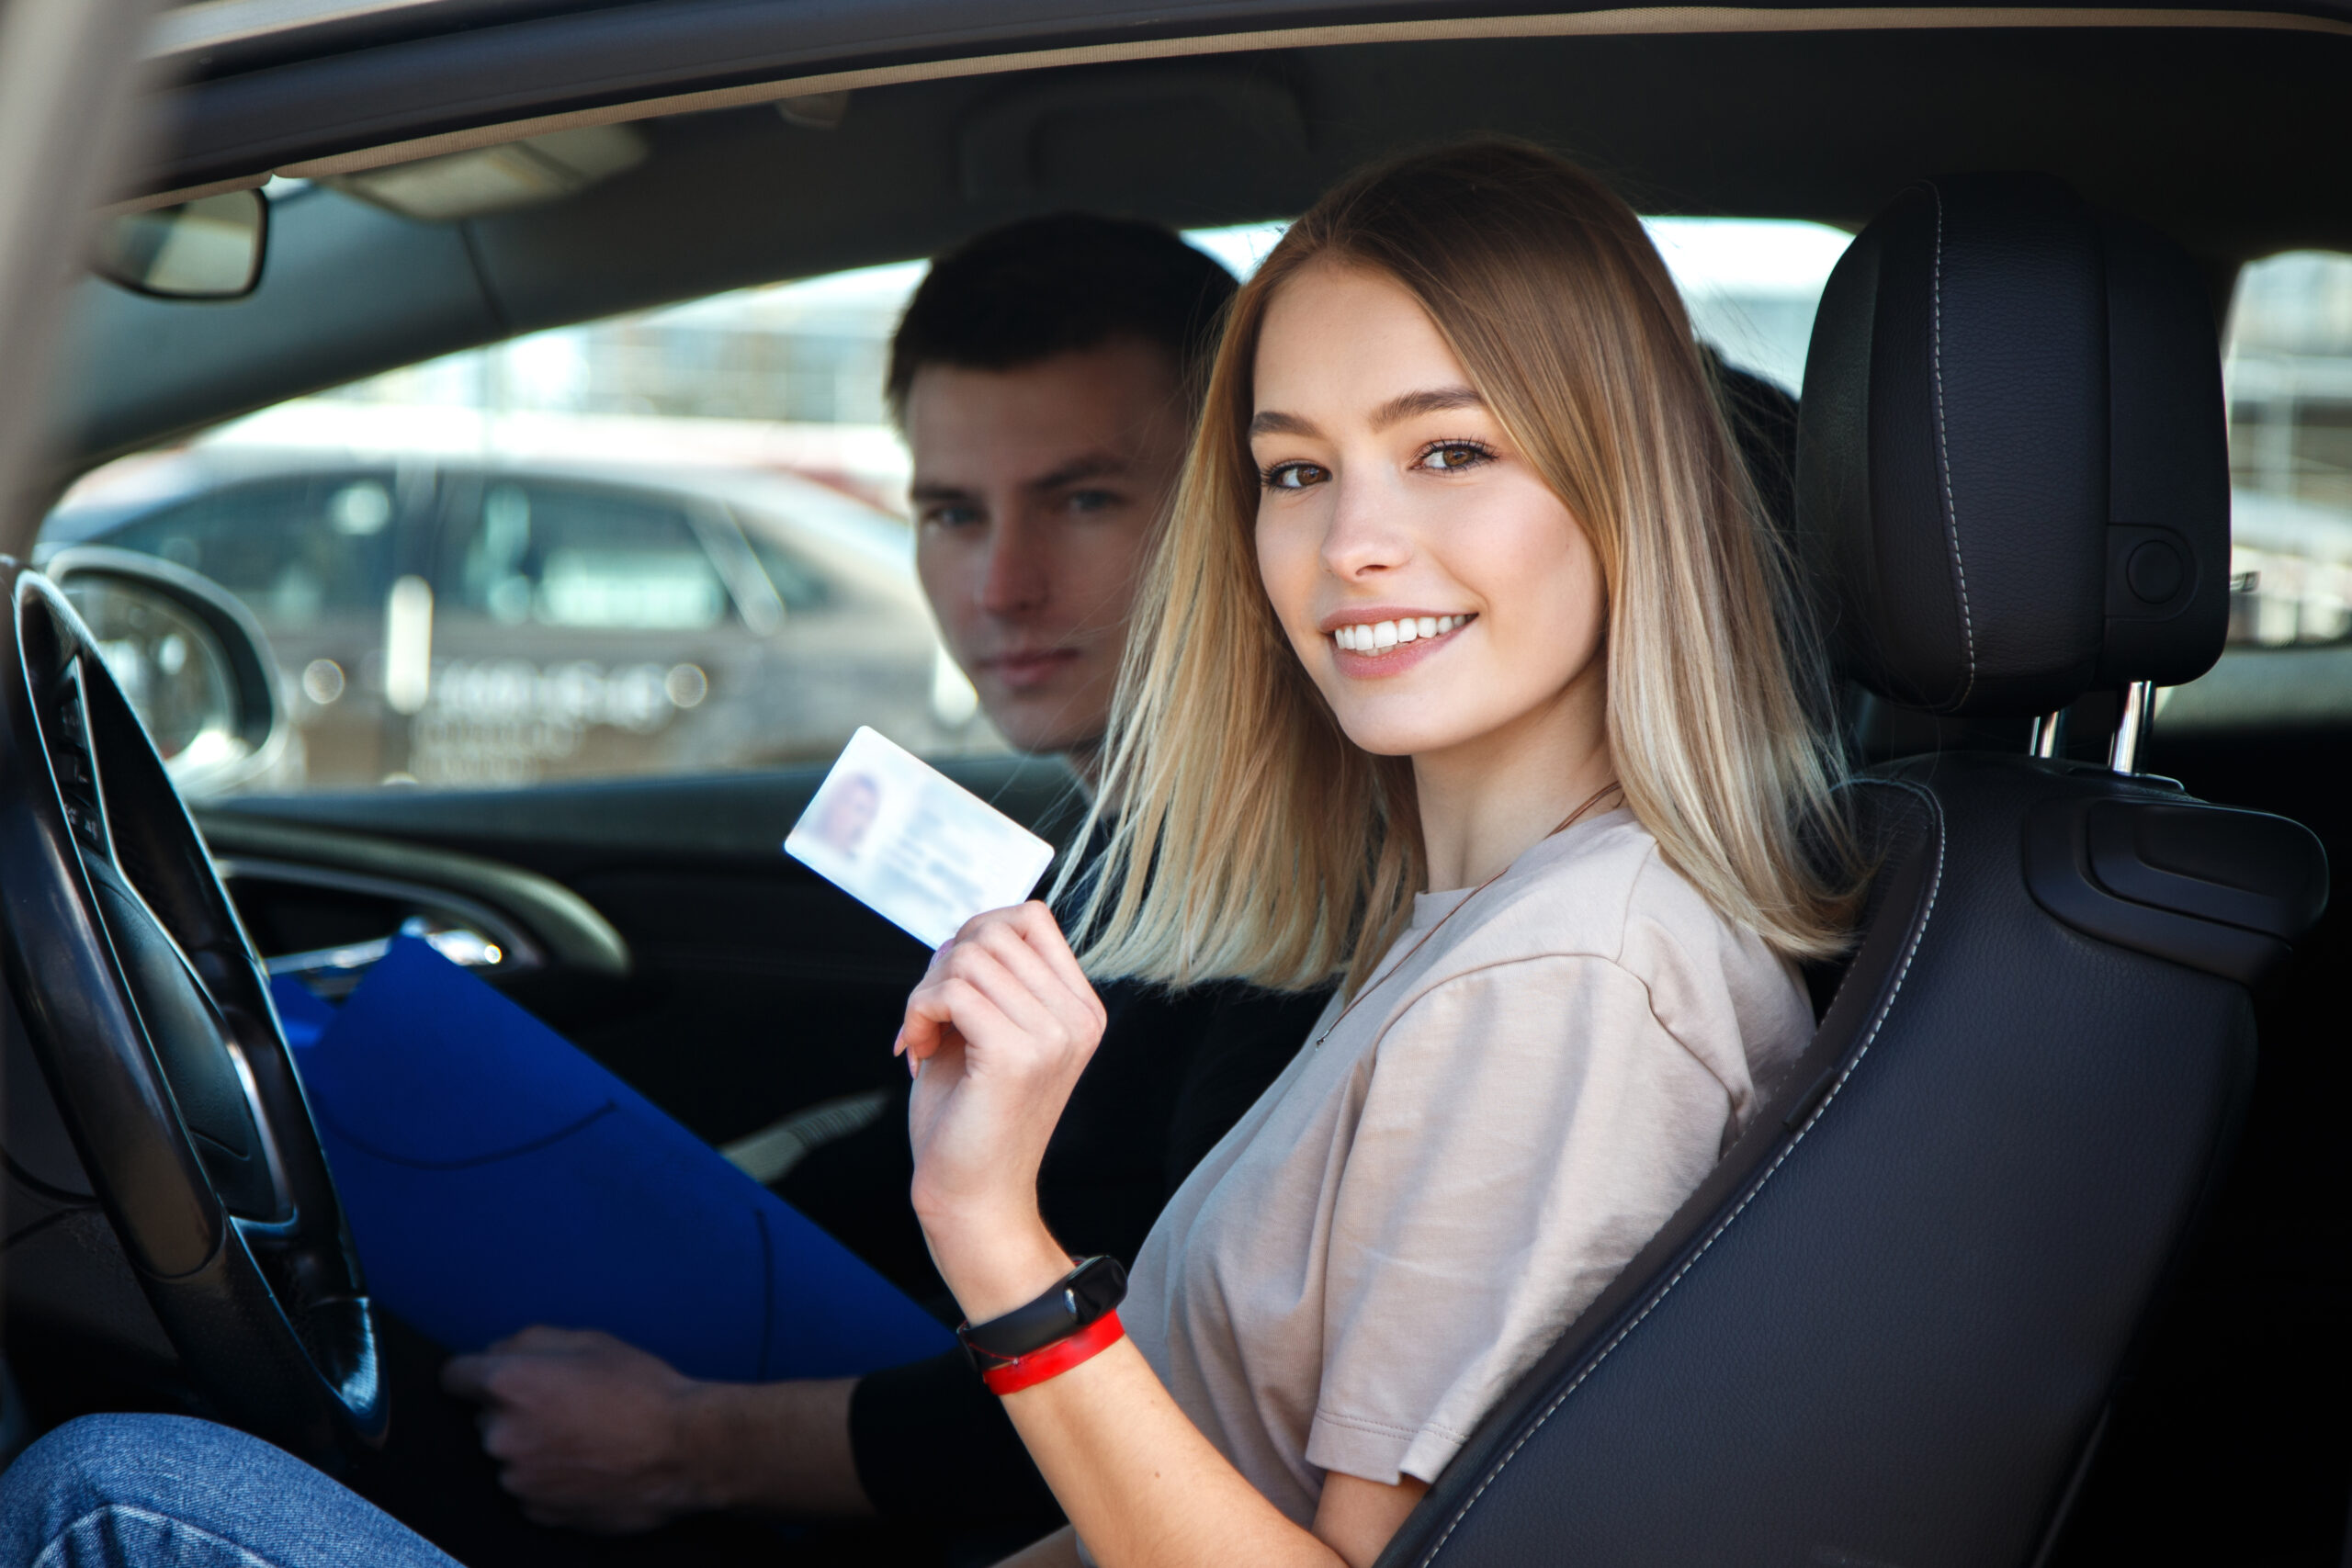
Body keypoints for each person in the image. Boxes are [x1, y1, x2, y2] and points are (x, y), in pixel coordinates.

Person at [0, 139, 1854, 1568]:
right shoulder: (1458, 924)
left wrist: (996, 1238)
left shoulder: (1571, 971)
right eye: (1293, 471)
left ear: (1621, 481)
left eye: (1447, 452)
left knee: (111, 1492)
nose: (1352, 540)